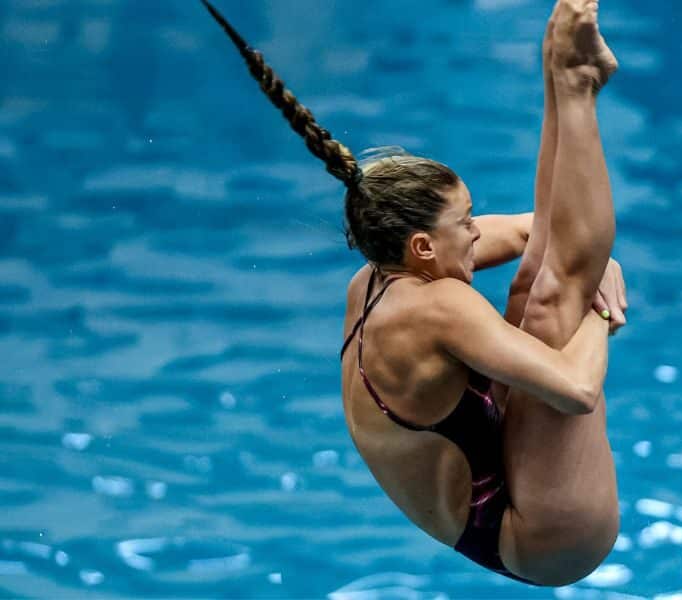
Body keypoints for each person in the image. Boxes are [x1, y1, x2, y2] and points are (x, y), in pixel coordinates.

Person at [201, 0, 624, 586]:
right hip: (543, 539)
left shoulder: (372, 280)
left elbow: (534, 230)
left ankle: (563, 70)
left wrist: (596, 264)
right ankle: (573, 82)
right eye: (466, 222)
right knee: (555, 303)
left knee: (541, 275)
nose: (478, 232)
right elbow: (577, 389)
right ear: (423, 247)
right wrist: (600, 311)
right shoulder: (434, 308)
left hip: (500, 499)